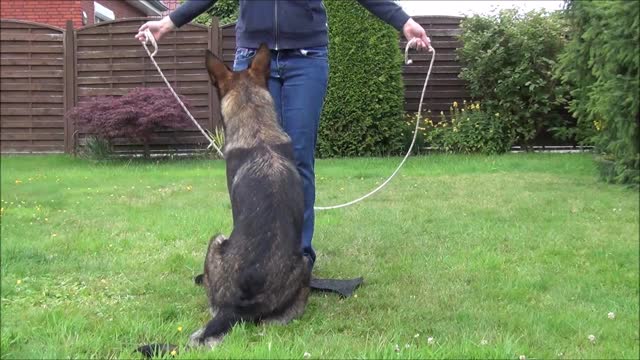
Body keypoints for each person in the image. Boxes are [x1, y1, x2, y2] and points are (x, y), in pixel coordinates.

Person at [135, 0, 430, 271]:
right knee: (248, 160)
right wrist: (168, 22)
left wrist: (403, 22)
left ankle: (298, 258)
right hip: (252, 57)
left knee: (298, 157)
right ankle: (250, 254)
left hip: (307, 59)